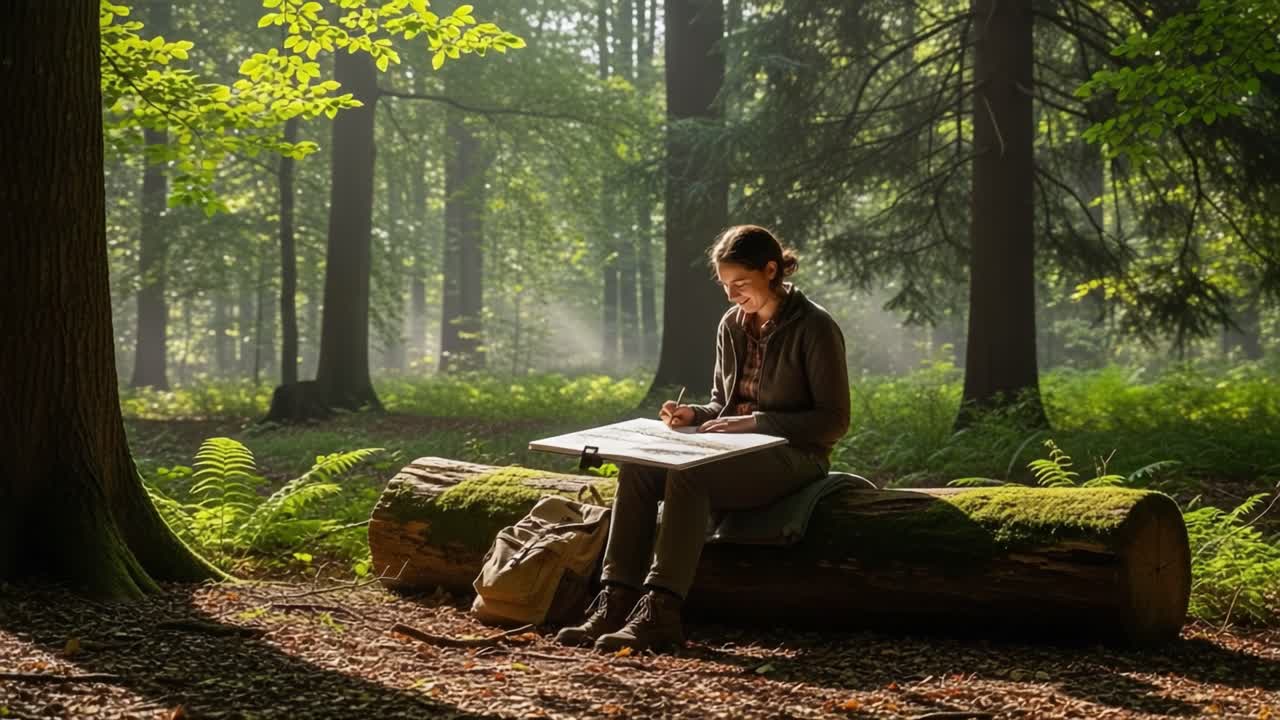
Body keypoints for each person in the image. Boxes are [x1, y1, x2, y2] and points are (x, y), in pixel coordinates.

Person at [555, 224, 851, 652]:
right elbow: (723, 405)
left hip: (796, 457)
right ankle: (614, 600)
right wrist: (694, 414)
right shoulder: (732, 324)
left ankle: (661, 611)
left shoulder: (816, 328)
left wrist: (758, 423)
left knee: (689, 476)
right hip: (734, 450)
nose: (732, 295)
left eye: (741, 283)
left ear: (771, 271)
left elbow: (834, 421)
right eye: (725, 285)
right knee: (638, 468)